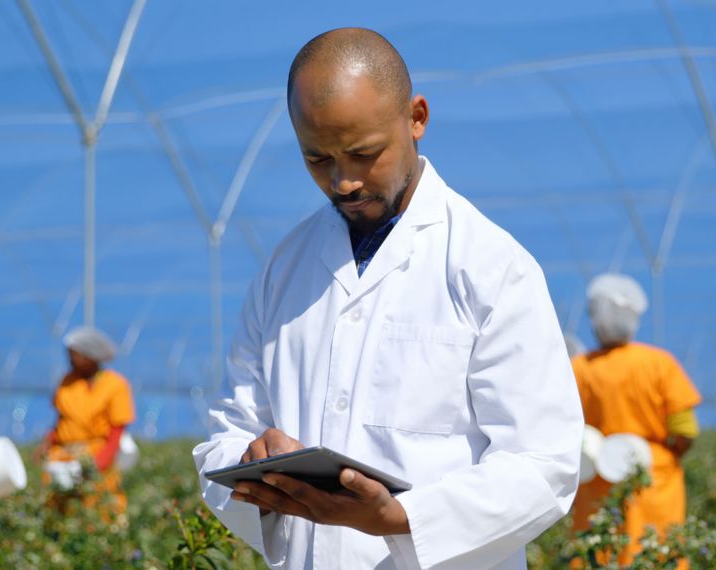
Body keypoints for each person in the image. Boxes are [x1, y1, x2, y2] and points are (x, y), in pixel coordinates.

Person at [193, 27, 584, 569]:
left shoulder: (491, 267)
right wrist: (249, 459)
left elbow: (545, 464)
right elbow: (228, 431)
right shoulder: (283, 271)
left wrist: (401, 519)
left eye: (363, 153)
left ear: (417, 118)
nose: (343, 182)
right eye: (317, 158)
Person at [571, 273, 702, 564]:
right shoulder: (659, 363)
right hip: (654, 478)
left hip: (597, 477)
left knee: (600, 551)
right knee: (657, 552)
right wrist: (670, 454)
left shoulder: (578, 369)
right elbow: (685, 429)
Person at [35, 326, 135, 515]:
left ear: (92, 356)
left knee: (99, 509)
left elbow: (116, 433)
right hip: (63, 458)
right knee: (58, 510)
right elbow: (62, 422)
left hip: (95, 456)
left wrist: (97, 465)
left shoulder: (115, 385)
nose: (71, 360)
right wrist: (47, 442)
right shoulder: (67, 382)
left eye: (75, 355)